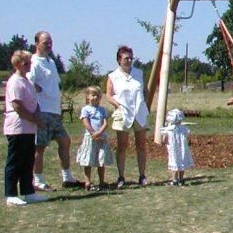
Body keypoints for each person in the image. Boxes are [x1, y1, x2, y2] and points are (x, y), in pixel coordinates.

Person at [28, 31, 76, 190]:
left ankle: (67, 177)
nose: (49, 45)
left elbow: (55, 85)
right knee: (40, 146)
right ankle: (38, 180)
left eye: (50, 42)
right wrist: (38, 89)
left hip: (54, 111)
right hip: (42, 111)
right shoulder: (34, 62)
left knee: (65, 141)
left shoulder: (51, 61)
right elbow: (27, 83)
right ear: (37, 43)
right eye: (45, 42)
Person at [2, 50, 48, 206]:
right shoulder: (14, 81)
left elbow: (34, 103)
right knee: (15, 161)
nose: (29, 65)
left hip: (29, 128)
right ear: (17, 64)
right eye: (25, 63)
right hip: (17, 127)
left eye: (30, 62)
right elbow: (17, 106)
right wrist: (35, 119)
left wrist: (37, 117)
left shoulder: (27, 81)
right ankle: (11, 194)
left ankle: (28, 191)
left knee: (28, 160)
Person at [105, 46, 150, 188]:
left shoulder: (139, 73)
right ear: (119, 59)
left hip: (139, 113)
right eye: (126, 58)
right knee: (122, 146)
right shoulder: (113, 76)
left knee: (141, 145)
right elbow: (108, 94)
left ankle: (142, 175)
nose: (129, 60)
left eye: (131, 58)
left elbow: (145, 91)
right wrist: (117, 105)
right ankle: (121, 176)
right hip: (122, 113)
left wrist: (144, 105)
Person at [75, 86, 114, 190]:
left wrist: (100, 132)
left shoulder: (102, 110)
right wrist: (93, 133)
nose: (95, 97)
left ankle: (102, 181)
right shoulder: (86, 109)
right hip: (90, 137)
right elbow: (85, 122)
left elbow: (105, 122)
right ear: (88, 96)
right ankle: (87, 181)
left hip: (101, 137)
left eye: (97, 95)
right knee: (88, 159)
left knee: (101, 160)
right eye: (93, 95)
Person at [161, 109, 194, 186]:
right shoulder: (184, 128)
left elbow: (164, 140)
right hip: (183, 149)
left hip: (173, 150)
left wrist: (166, 142)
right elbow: (188, 137)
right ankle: (181, 179)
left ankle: (174, 179)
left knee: (174, 161)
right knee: (182, 162)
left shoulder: (168, 129)